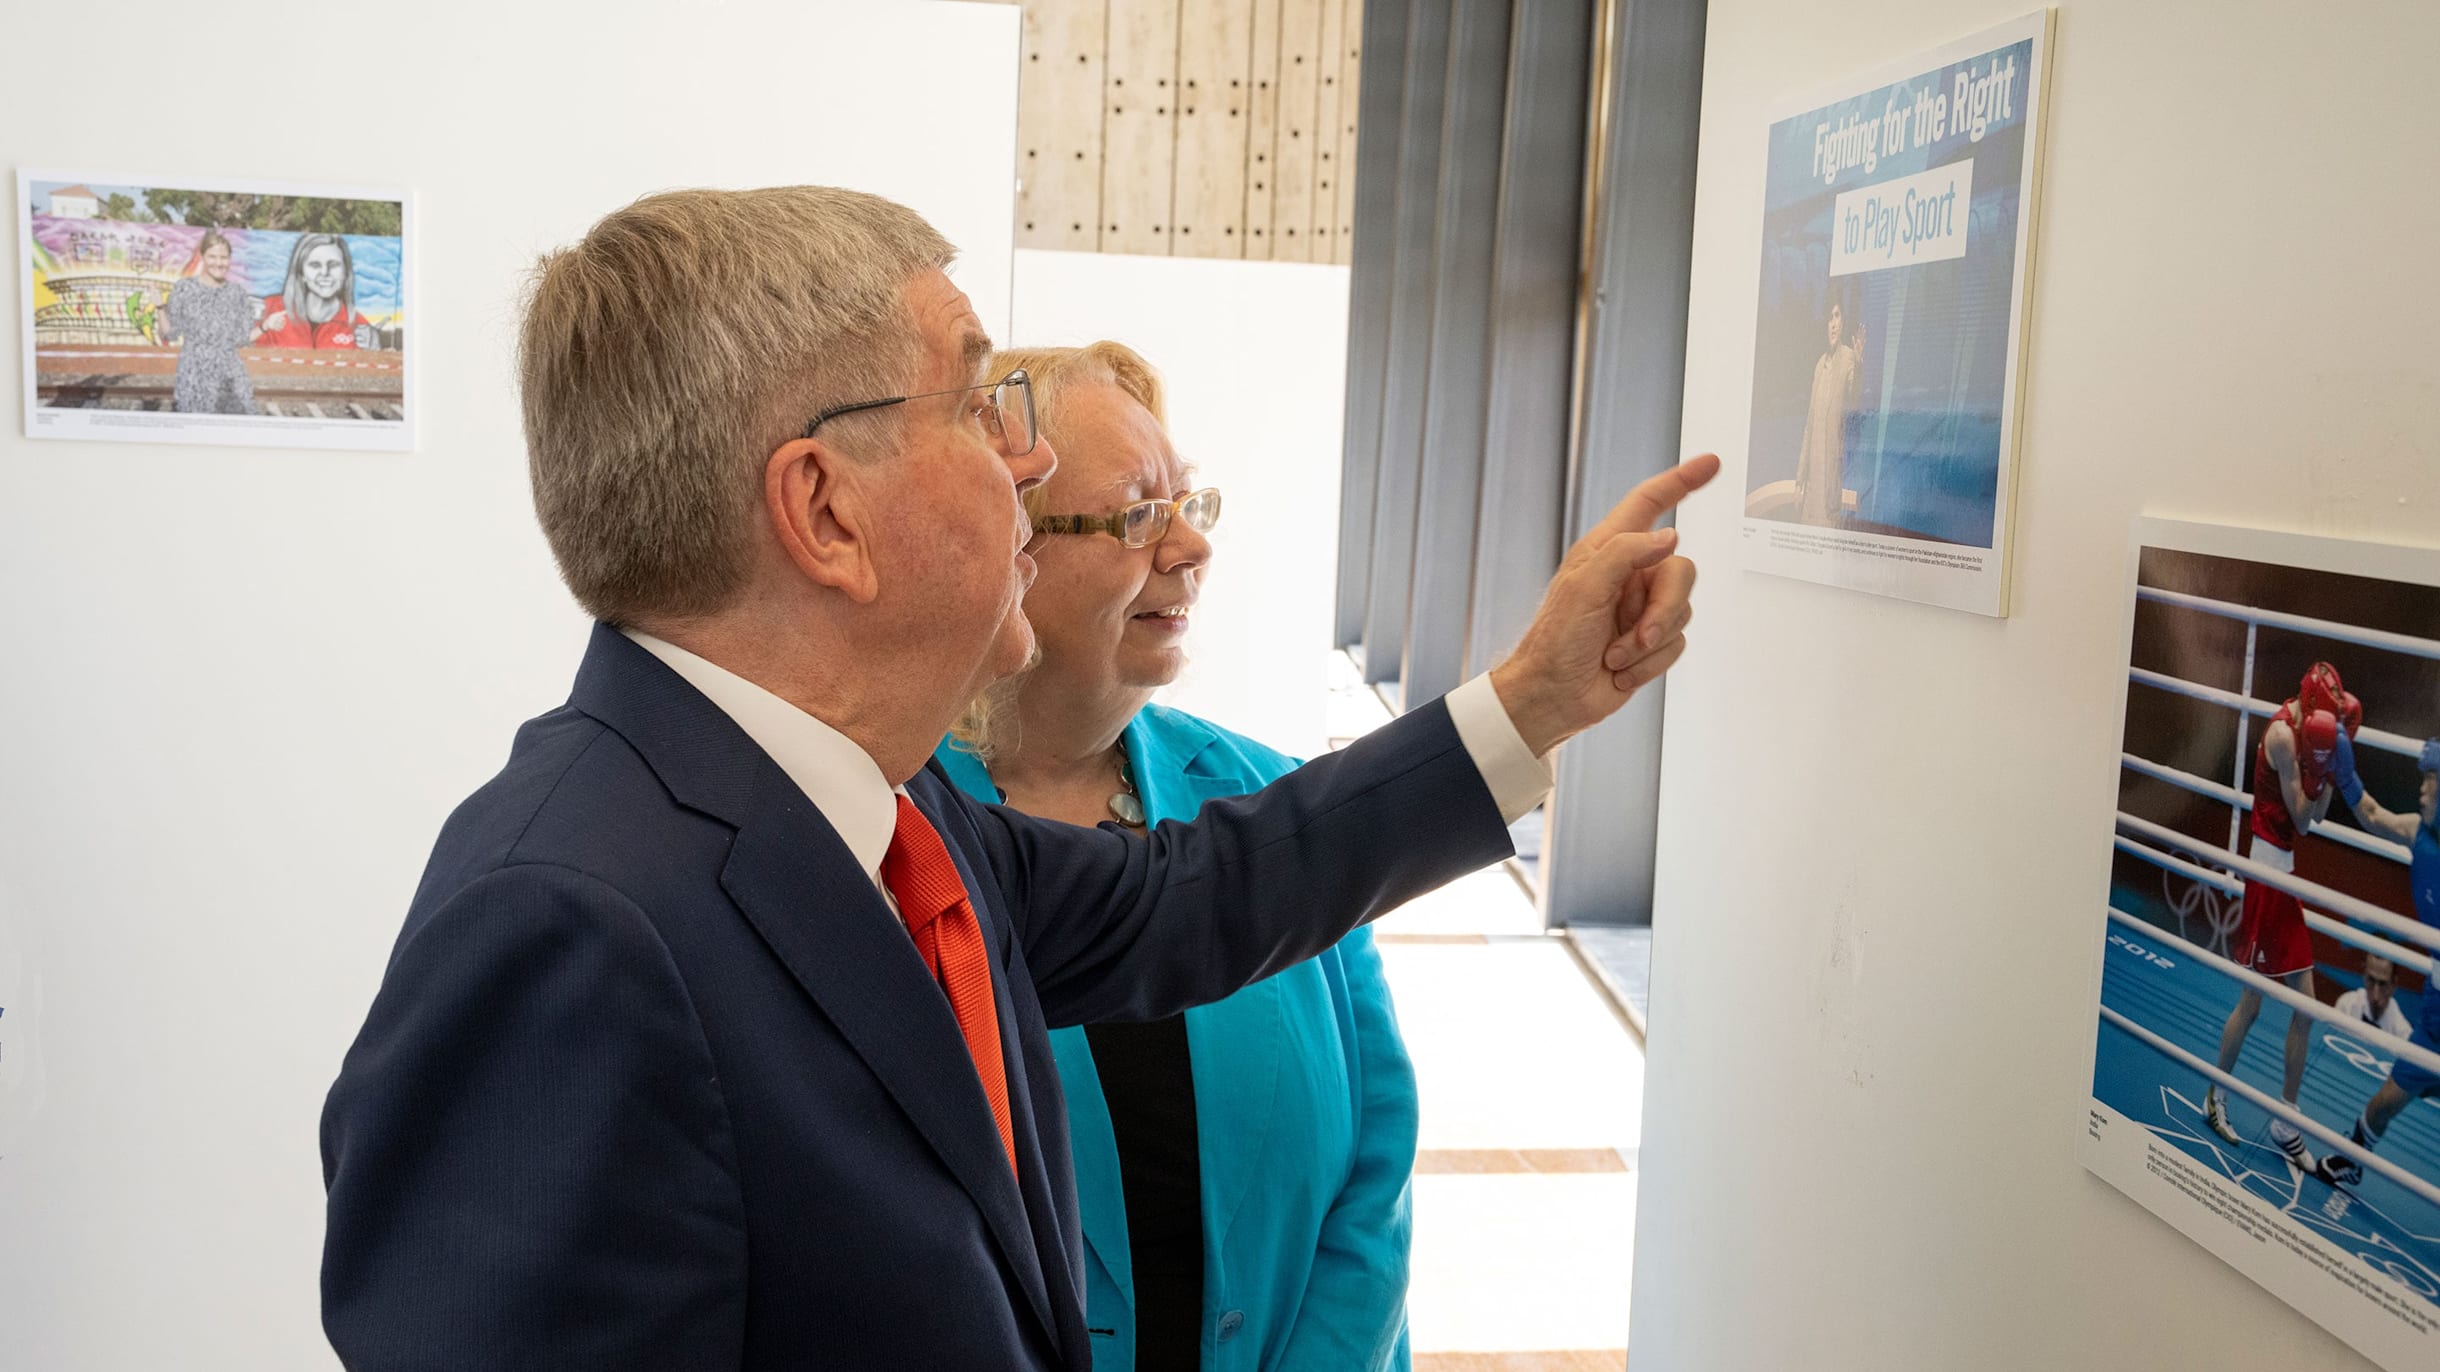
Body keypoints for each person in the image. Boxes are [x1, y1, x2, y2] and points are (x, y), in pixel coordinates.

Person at [317, 186, 1714, 1371]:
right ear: (825, 512)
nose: (1028, 456)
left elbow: (1197, 893)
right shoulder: (567, 930)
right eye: (985, 404)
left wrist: (1531, 700)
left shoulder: (894, 811)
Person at [934, 340, 1416, 1371]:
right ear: (1005, 541)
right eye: (1140, 514)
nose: (1191, 547)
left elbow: (1375, 1161)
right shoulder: (896, 837)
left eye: (1191, 504)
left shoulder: (1273, 797)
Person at [2202, 661, 2359, 1171]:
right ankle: (2217, 1097)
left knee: (2302, 1006)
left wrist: (2333, 768)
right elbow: (2302, 818)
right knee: (2253, 1003)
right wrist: (2325, 770)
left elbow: (2313, 823)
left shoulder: (2310, 730)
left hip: (2283, 872)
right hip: (2268, 874)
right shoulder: (2283, 738)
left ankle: (2286, 1120)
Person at [2315, 736, 2440, 1188]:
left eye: (2431, 780)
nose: (2422, 790)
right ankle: (2353, 1159)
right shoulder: (2418, 833)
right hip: (2435, 1014)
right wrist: (2345, 776)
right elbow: (2371, 815)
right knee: (2385, 1102)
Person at [160, 230, 258, 414]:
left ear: (230, 259)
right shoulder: (184, 289)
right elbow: (170, 333)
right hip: (193, 375)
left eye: (224, 257)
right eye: (212, 256)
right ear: (202, 257)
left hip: (230, 375)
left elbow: (242, 338)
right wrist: (159, 308)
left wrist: (266, 326)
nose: (219, 263)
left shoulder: (237, 293)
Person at [1792, 297, 1863, 525]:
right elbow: (1809, 425)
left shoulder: (1849, 358)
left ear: (1843, 322)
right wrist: (1800, 475)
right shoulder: (1819, 364)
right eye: (1829, 318)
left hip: (1830, 473)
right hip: (1811, 477)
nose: (1833, 324)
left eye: (1837, 316)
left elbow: (1855, 399)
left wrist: (1860, 365)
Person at [255, 232, 375, 349]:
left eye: (333, 265)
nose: (325, 273)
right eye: (315, 265)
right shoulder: (270, 309)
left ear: (345, 272)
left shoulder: (359, 326)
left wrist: (374, 350)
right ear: (301, 273)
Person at [2335, 954, 2412, 1040]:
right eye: (2371, 980)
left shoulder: (2403, 1034)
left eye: (2383, 984)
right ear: (2364, 976)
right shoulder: (2346, 1006)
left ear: (2393, 985)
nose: (2375, 996)